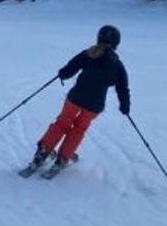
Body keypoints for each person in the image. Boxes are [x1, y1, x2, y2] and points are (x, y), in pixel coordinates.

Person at [27, 24, 130, 172]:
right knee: (79, 129)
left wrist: (62, 73)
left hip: (75, 98)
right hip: (94, 105)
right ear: (116, 44)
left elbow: (70, 68)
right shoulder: (117, 65)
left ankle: (43, 152)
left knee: (61, 123)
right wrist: (125, 106)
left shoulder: (88, 54)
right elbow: (123, 88)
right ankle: (63, 158)